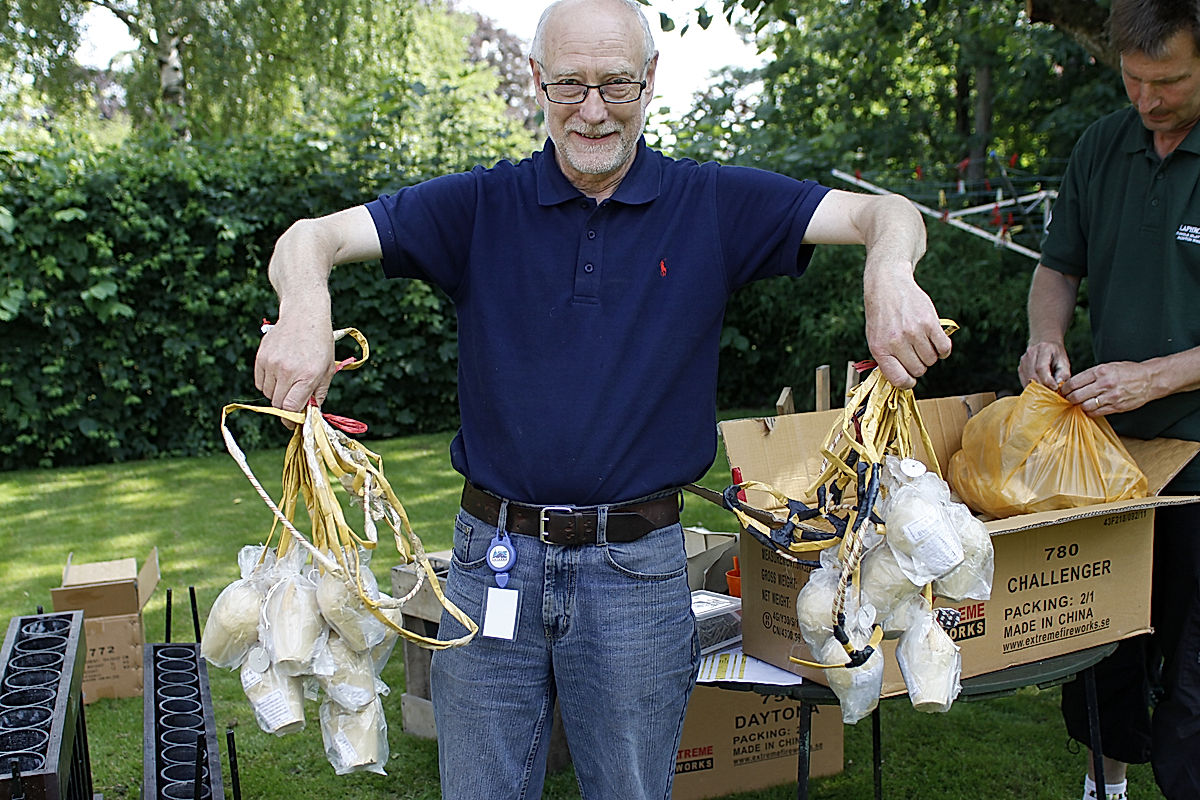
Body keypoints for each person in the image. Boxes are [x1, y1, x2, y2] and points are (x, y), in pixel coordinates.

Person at [255, 0, 950, 796]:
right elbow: (310, 237)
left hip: (637, 573)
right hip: (493, 564)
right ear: (536, 82)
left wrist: (889, 272)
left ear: (651, 80)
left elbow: (886, 213)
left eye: (617, 85)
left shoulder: (711, 205)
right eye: (570, 85)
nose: (592, 110)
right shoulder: (481, 207)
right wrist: (307, 310)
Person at [1019, 1, 1200, 798]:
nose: (1148, 101)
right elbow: (1058, 268)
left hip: (1199, 457)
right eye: (1133, 79)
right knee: (1106, 637)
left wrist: (1157, 375)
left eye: (1169, 82)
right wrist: (1044, 338)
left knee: (1193, 672)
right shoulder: (1103, 145)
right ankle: (1106, 786)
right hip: (1110, 455)